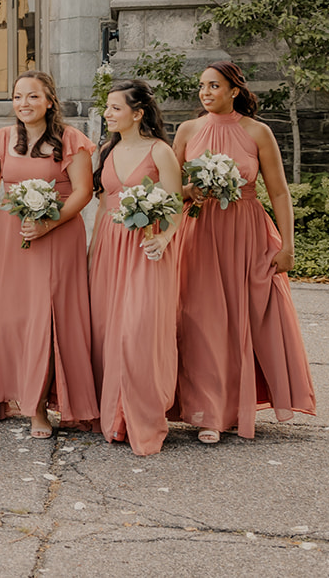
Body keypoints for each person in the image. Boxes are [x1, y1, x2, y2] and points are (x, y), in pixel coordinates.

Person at [172, 62, 316, 443]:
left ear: (234, 90)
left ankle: (239, 405)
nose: (205, 93)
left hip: (247, 232)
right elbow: (171, 188)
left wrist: (288, 247)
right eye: (202, 86)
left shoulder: (257, 131)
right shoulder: (187, 130)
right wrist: (190, 191)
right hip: (200, 232)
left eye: (214, 86)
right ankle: (210, 413)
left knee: (247, 317)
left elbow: (280, 192)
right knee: (202, 320)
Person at [0, 70, 98, 439]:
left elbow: (83, 191)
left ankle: (41, 408)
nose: (24, 104)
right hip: (10, 235)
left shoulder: (71, 139)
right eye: (18, 97)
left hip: (58, 233)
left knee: (49, 317)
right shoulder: (1, 139)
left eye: (33, 96)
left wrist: (49, 224)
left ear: (50, 100)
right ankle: (21, 400)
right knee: (15, 317)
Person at [89, 79, 182, 456]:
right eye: (108, 108)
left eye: (115, 108)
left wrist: (164, 238)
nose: (108, 113)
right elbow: (101, 206)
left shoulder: (160, 152)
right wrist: (91, 251)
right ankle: (114, 417)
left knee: (137, 333)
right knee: (108, 333)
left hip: (146, 247)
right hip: (109, 249)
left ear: (137, 113)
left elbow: (177, 205)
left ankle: (144, 419)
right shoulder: (107, 151)